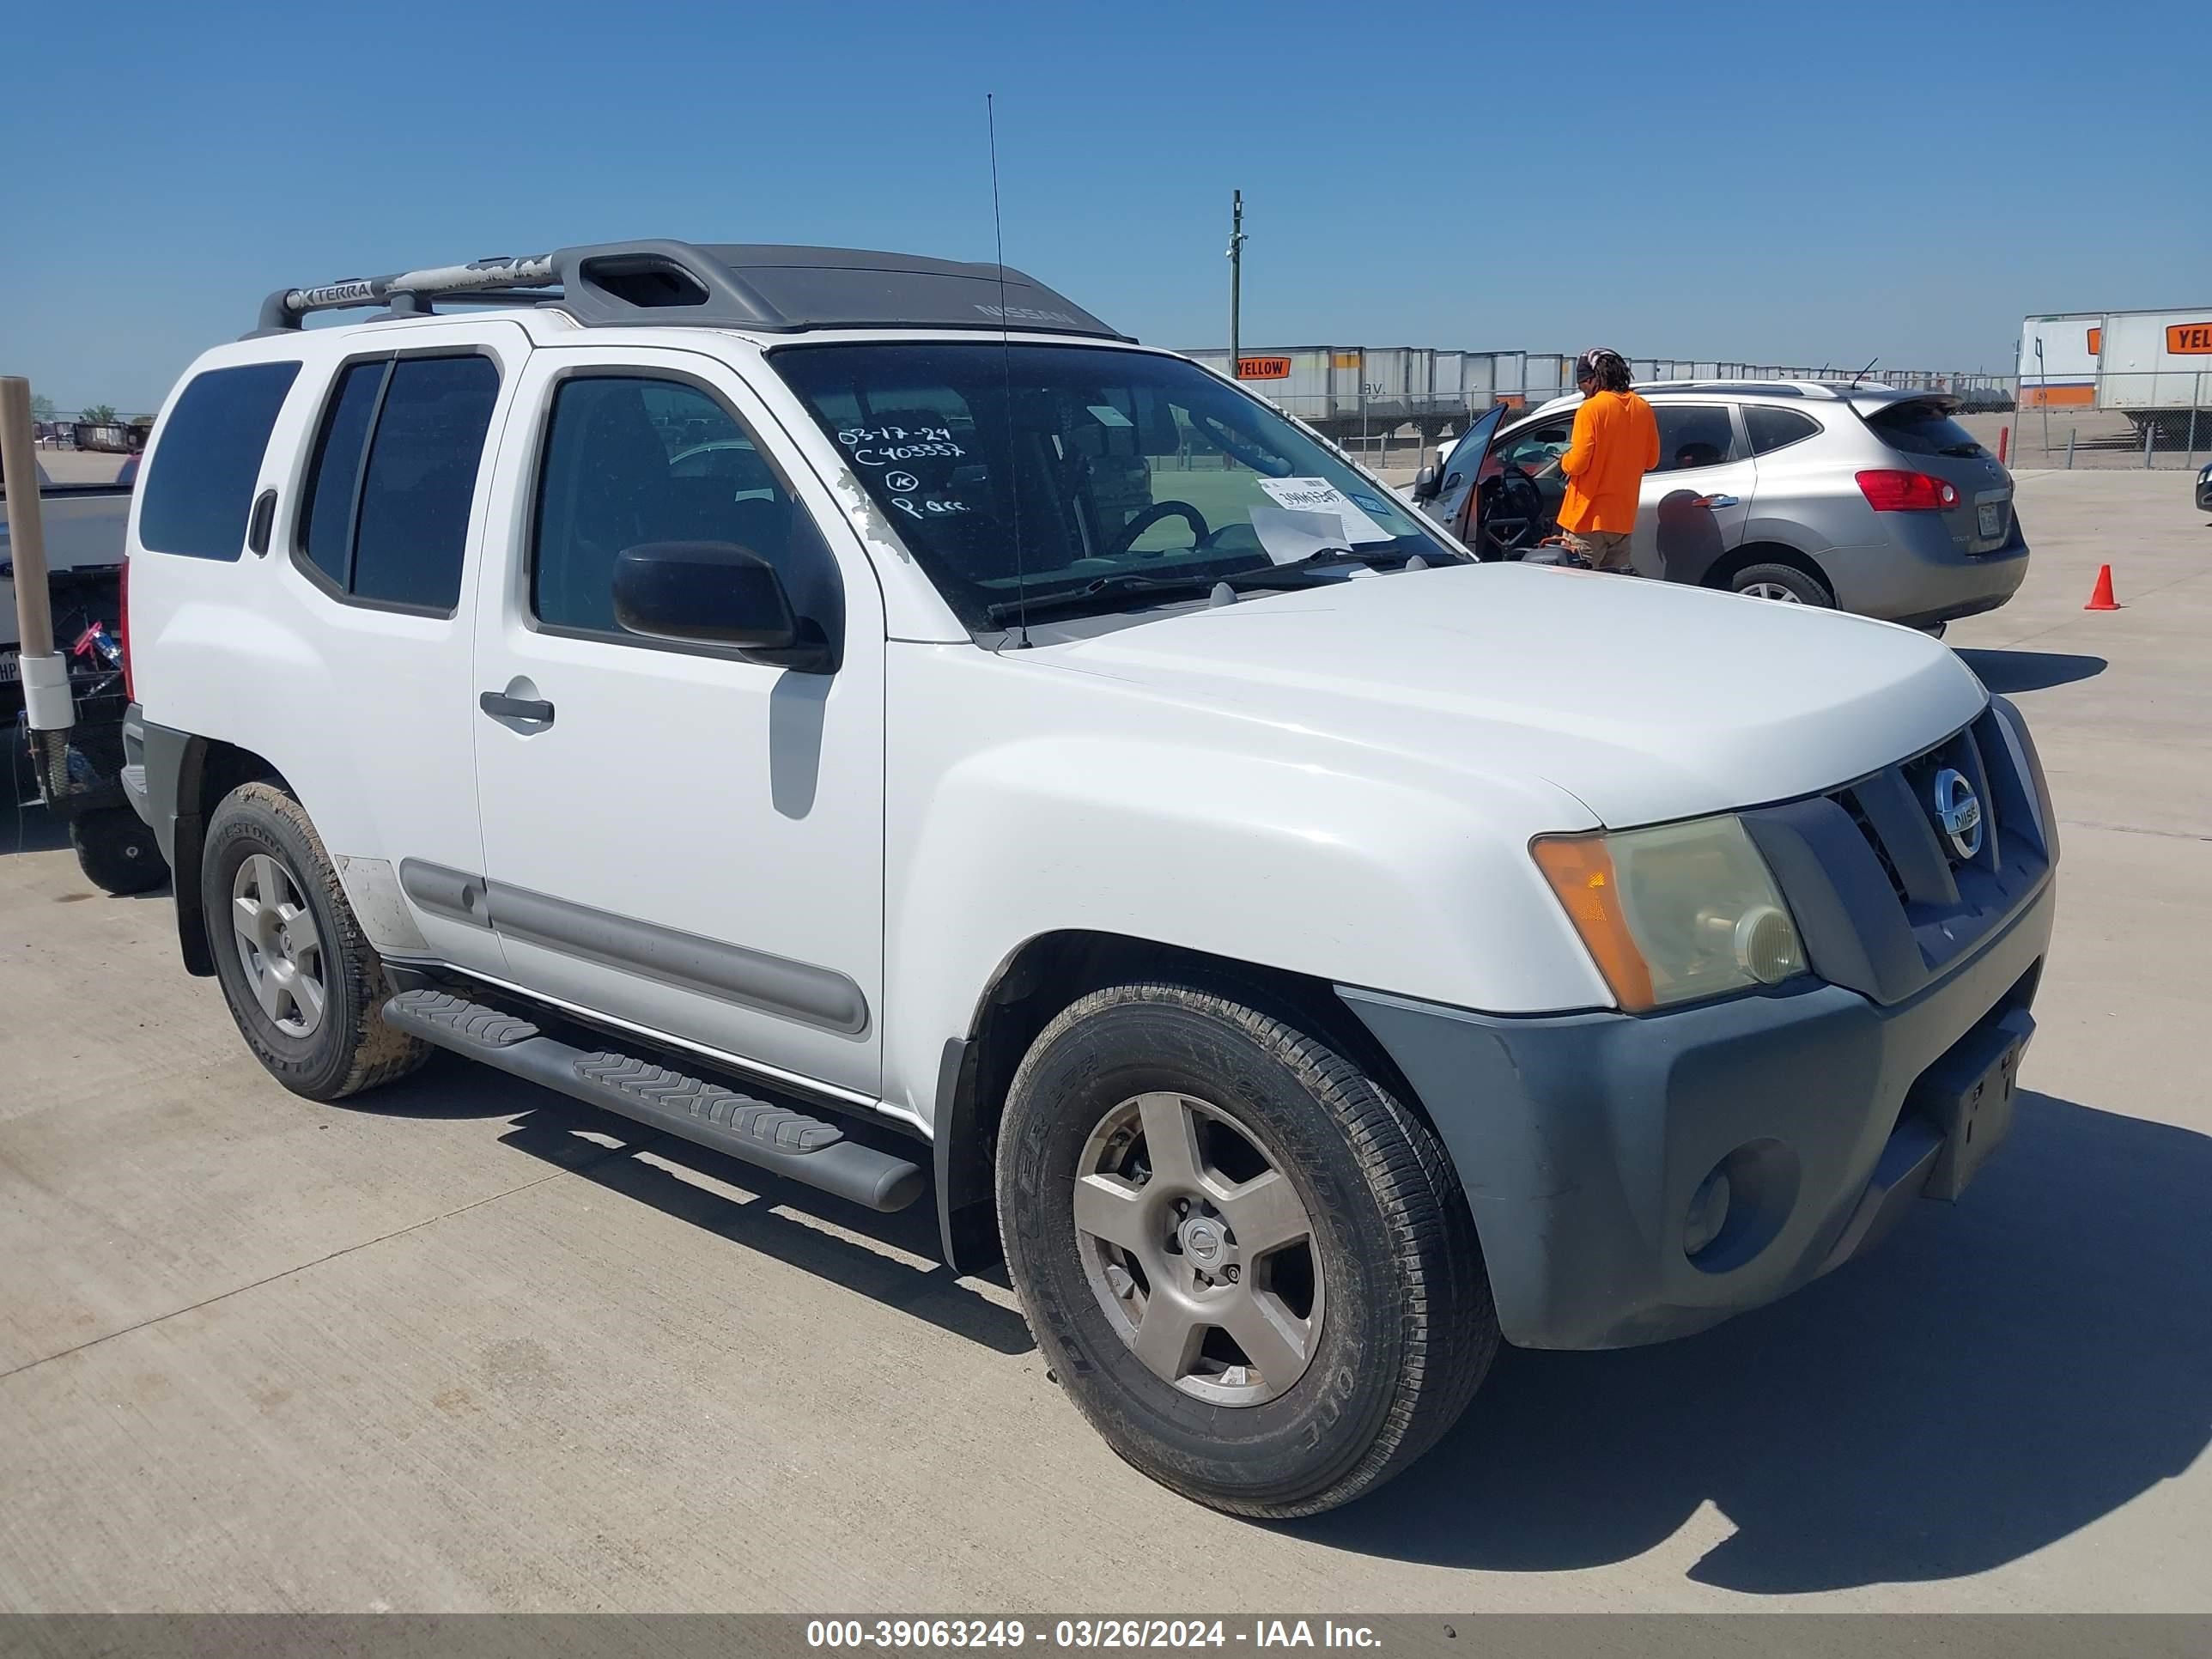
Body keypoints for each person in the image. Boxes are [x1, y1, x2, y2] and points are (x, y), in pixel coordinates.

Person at [1553, 347, 1659, 571]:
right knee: (1612, 592)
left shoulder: (1591, 409)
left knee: (1578, 588)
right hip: (1622, 519)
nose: (1581, 389)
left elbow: (1578, 463)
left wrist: (1564, 460)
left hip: (1587, 517)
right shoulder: (1643, 408)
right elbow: (1651, 461)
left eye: (1582, 382)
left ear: (1593, 379)